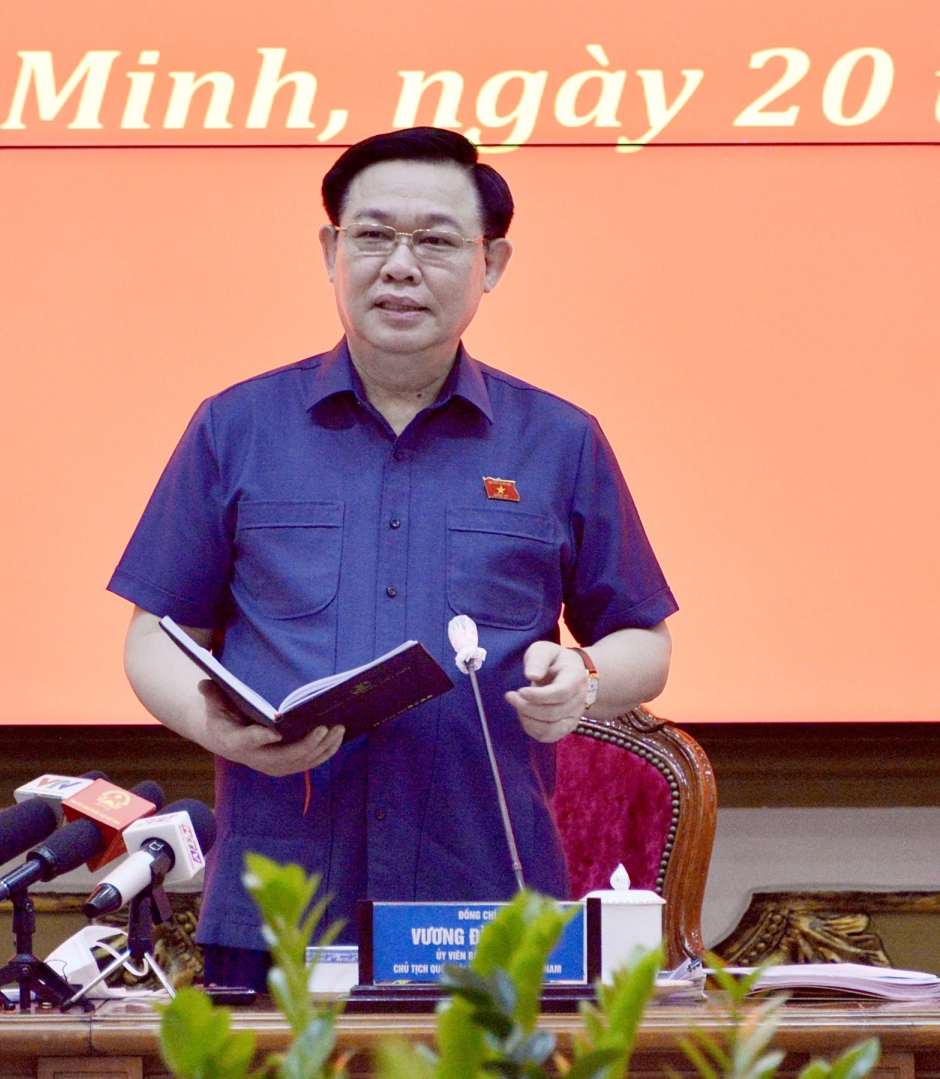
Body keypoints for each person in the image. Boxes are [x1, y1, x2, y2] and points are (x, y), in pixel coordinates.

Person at [108, 127, 676, 989]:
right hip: (278, 905)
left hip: (486, 906)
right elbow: (155, 633)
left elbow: (646, 642)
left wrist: (585, 677)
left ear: (491, 263)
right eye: (373, 235)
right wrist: (211, 722)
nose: (400, 266)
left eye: (436, 241)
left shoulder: (559, 441)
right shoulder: (236, 427)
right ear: (331, 250)